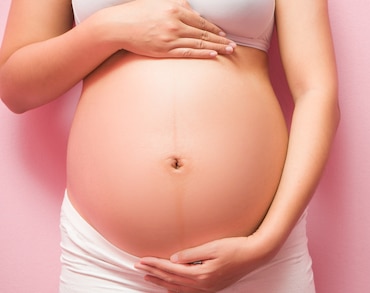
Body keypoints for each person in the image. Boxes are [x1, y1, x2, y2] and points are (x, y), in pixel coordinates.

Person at [0, 0, 339, 291]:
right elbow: (15, 87)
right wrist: (107, 28)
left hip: (260, 261)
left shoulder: (263, 249)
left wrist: (266, 243)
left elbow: (316, 91)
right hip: (107, 264)